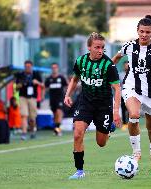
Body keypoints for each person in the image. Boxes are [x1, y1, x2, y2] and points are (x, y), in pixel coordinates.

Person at [112, 15, 151, 173]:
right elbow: (116, 58)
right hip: (131, 87)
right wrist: (107, 71)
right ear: (137, 31)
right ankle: (136, 153)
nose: (144, 34)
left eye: (148, 32)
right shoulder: (129, 46)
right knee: (133, 115)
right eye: (142, 31)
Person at [64, 32, 121, 179]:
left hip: (104, 106)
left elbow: (117, 88)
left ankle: (109, 129)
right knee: (77, 134)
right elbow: (75, 79)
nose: (100, 50)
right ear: (89, 47)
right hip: (85, 103)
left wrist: (116, 111)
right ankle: (79, 170)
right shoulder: (81, 61)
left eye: (103, 47)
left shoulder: (109, 65)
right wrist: (68, 95)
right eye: (97, 47)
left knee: (101, 143)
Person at [15, 60, 44, 140]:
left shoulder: (36, 74)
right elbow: (16, 88)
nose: (27, 68)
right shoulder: (20, 75)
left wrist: (37, 82)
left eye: (29, 66)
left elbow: (43, 86)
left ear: (31, 67)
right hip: (23, 97)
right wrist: (19, 85)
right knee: (24, 115)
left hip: (32, 97)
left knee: (32, 117)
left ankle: (32, 131)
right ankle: (24, 133)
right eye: (26, 66)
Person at [45, 63, 68, 136]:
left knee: (59, 112)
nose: (54, 69)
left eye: (55, 68)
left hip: (60, 98)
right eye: (52, 68)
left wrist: (67, 95)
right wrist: (43, 95)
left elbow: (67, 85)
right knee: (55, 115)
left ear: (57, 69)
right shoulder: (49, 79)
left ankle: (58, 129)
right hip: (52, 99)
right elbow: (45, 88)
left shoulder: (61, 77)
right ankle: (56, 129)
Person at [119, 61, 129, 129]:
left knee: (130, 109)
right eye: (125, 65)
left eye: (127, 65)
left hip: (131, 94)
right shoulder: (121, 75)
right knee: (123, 109)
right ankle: (125, 124)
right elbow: (118, 85)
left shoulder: (132, 74)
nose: (126, 66)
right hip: (123, 94)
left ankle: (131, 123)